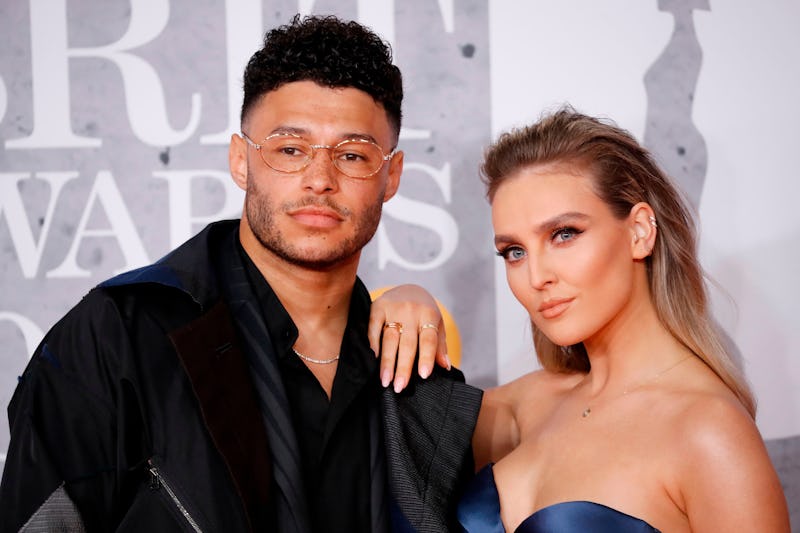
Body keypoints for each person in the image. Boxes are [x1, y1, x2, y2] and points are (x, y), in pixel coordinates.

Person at [0, 15, 481, 533]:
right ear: (240, 161)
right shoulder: (119, 335)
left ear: (392, 176)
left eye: (353, 155)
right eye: (290, 149)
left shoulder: (412, 372)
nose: (320, 179)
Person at [452, 107, 790, 531]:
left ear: (640, 231)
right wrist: (403, 305)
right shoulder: (526, 405)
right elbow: (382, 436)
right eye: (514, 252)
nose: (537, 277)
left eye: (564, 234)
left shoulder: (708, 433)